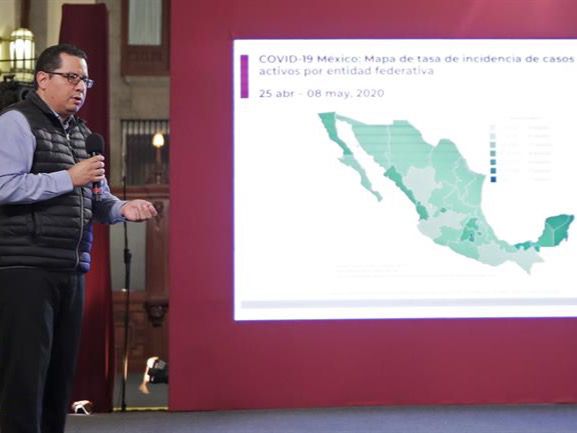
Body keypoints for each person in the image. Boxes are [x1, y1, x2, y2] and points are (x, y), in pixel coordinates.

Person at [0, 44, 158, 433]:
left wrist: (122, 208)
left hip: (69, 269)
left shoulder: (84, 134)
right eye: (71, 77)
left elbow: (97, 197)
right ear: (42, 79)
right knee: (24, 380)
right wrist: (68, 177)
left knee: (58, 379)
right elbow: (4, 185)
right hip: (25, 267)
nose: (81, 87)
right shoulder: (16, 123)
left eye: (85, 79)